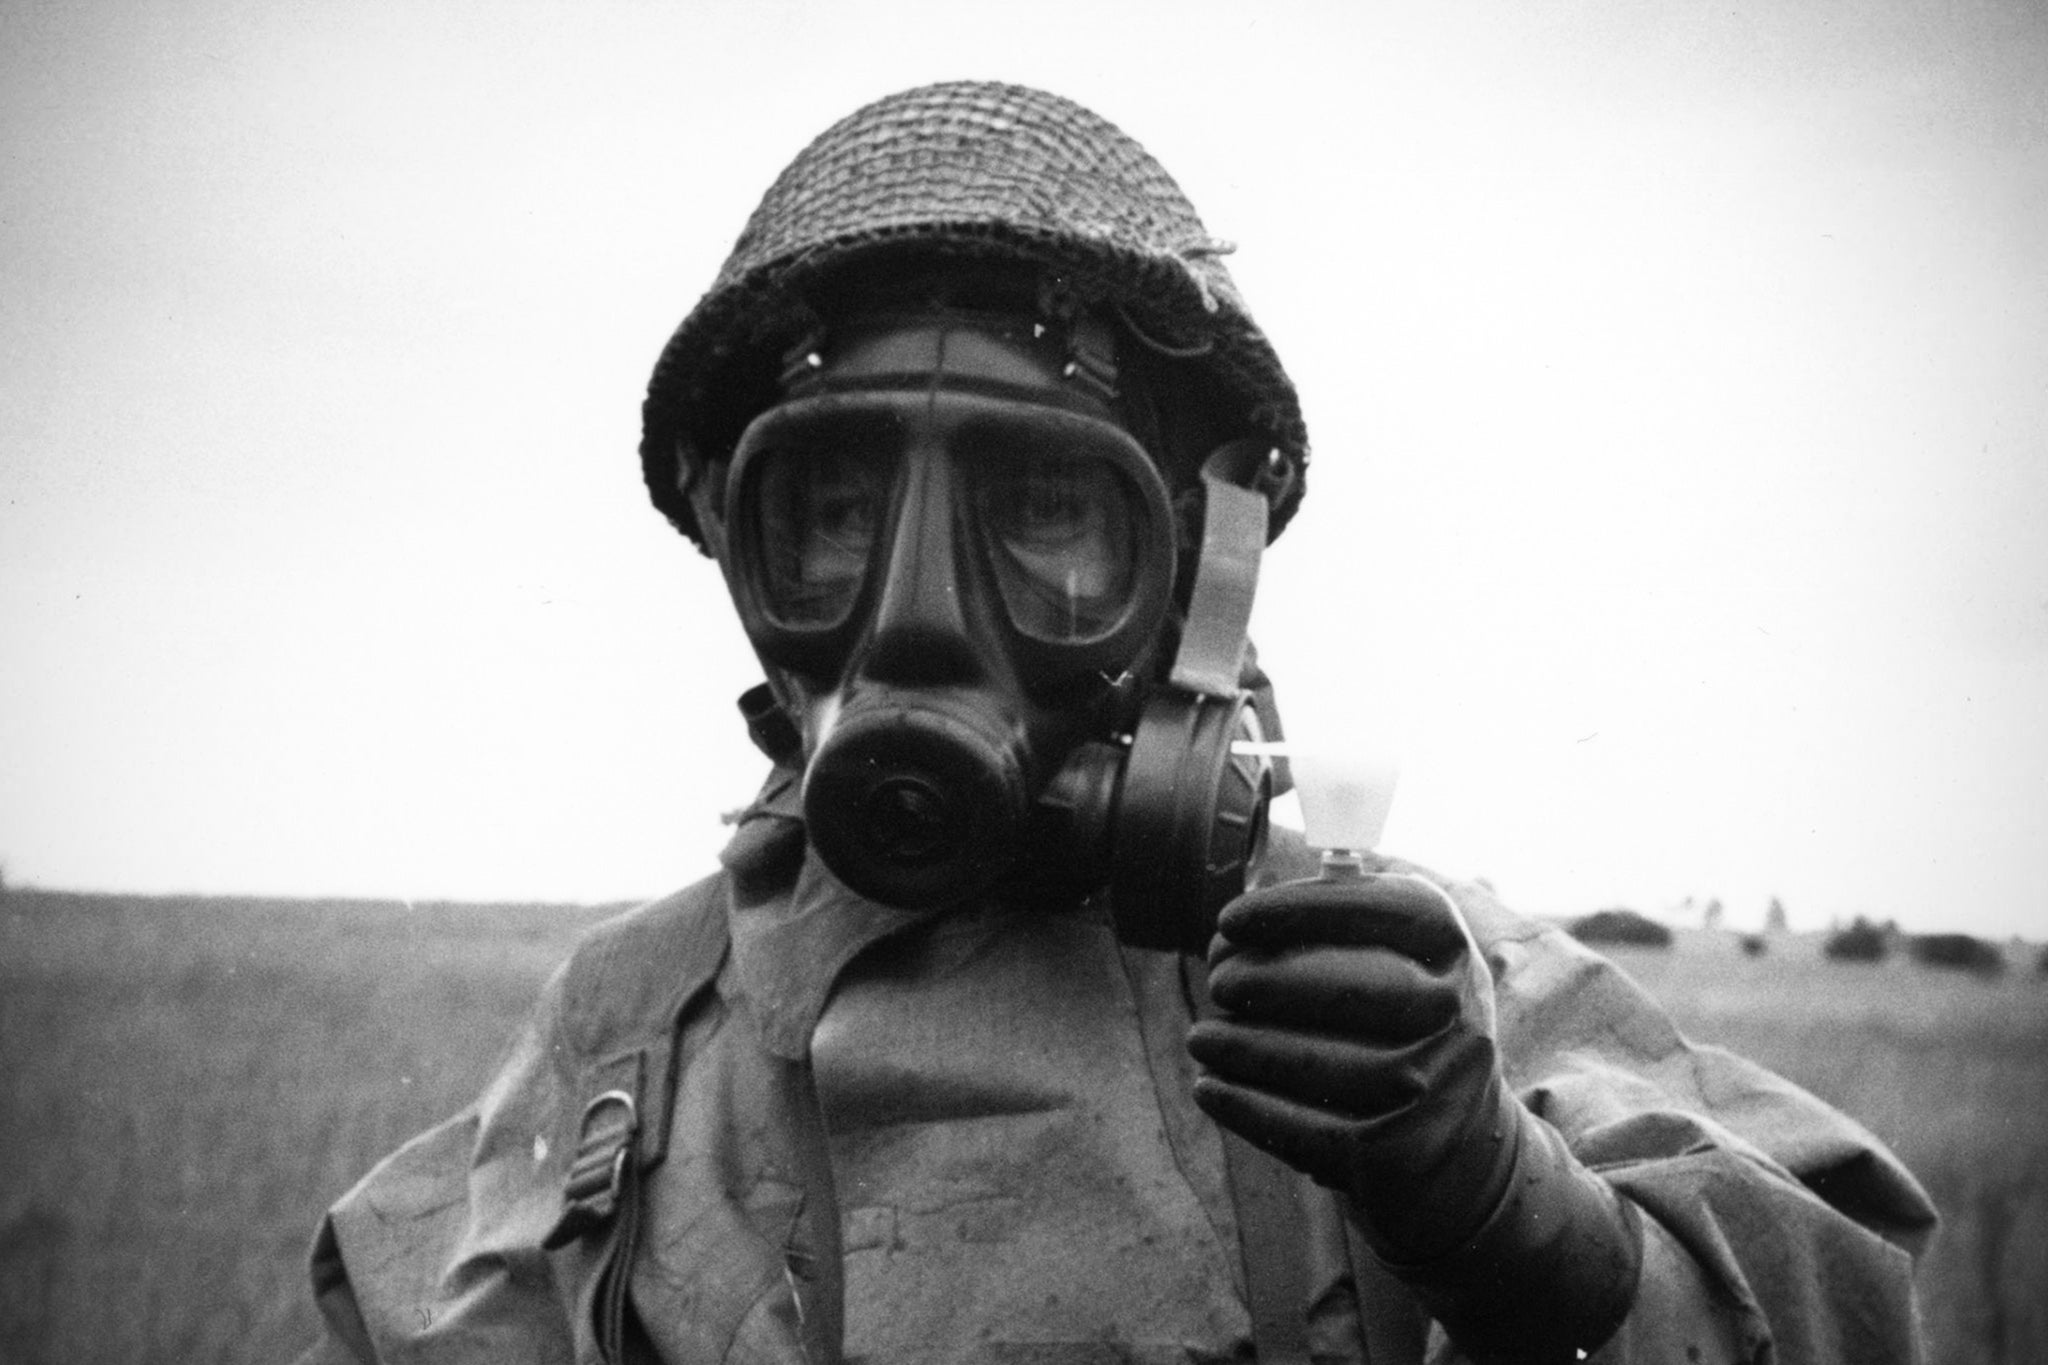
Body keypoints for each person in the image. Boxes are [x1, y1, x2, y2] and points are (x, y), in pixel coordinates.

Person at [300, 81, 1936, 1365]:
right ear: (748, 555)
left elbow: (1846, 1306)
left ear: (1199, 570)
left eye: (1044, 510)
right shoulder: (633, 1034)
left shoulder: (1397, 990)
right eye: (837, 507)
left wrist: (1522, 1219)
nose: (915, 608)